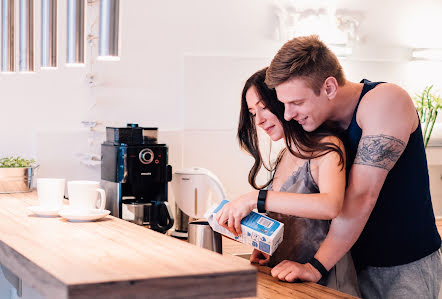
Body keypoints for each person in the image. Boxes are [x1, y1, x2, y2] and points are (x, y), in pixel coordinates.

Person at [261, 35, 442, 298]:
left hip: (404, 265)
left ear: (330, 87)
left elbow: (360, 197)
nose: (288, 114)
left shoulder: (386, 102)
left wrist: (315, 266)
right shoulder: (320, 123)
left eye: (296, 103)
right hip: (351, 262)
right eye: (284, 104)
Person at [217, 68, 360, 296]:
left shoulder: (327, 147)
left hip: (326, 283)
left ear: (283, 101)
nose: (259, 120)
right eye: (253, 113)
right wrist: (268, 245)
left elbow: (330, 205)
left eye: (264, 107)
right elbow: (292, 216)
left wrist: (256, 199)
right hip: (289, 281)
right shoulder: (286, 153)